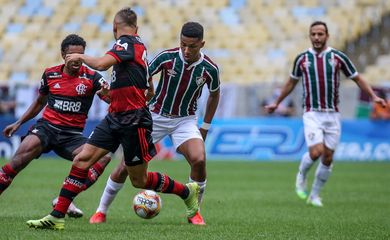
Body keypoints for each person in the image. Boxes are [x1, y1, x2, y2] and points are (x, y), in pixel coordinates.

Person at [26, 8, 199, 230]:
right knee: (82, 160)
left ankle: (187, 191)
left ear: (115, 28)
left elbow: (100, 65)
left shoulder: (126, 43)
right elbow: (150, 88)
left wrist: (79, 56)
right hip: (115, 116)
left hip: (133, 120)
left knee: (139, 180)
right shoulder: (139, 46)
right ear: (136, 27)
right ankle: (57, 216)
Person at [88, 21, 220, 226]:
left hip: (185, 120)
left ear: (202, 44)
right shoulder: (167, 57)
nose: (186, 50)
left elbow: (214, 94)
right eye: (183, 44)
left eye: (192, 46)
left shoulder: (209, 68)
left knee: (199, 160)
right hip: (154, 116)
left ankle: (194, 211)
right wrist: (140, 92)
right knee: (125, 166)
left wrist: (205, 126)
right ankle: (101, 211)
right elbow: (141, 74)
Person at [265, 21, 386, 207]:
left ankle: (314, 195)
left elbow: (357, 78)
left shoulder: (338, 57)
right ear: (309, 36)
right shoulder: (302, 59)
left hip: (333, 115)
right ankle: (302, 174)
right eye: (313, 34)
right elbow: (291, 83)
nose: (317, 37)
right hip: (312, 113)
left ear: (327, 36)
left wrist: (373, 96)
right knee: (316, 151)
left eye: (320, 34)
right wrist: (277, 102)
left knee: (328, 157)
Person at [0, 34, 111, 217]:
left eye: (80, 56)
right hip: (46, 128)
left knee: (102, 158)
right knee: (17, 161)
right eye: (72, 56)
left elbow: (111, 99)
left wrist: (108, 95)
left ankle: (64, 201)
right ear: (63, 55)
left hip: (72, 136)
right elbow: (39, 102)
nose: (77, 60)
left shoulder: (93, 78)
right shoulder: (50, 74)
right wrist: (19, 122)